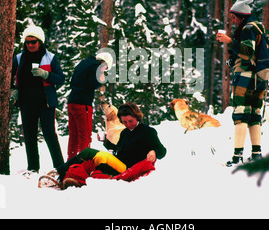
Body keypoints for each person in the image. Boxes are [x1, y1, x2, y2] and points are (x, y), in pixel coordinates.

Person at [55, 102, 167, 183]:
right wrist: (105, 141)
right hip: (117, 163)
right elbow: (117, 149)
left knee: (88, 152)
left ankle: (58, 173)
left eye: (130, 121)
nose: (128, 124)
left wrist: (153, 151)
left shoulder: (148, 131)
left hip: (127, 169)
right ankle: (68, 177)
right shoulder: (125, 132)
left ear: (137, 116)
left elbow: (162, 151)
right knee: (90, 161)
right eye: (124, 122)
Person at [216, 0, 268, 166]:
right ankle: (256, 154)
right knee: (254, 114)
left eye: (234, 17)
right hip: (259, 77)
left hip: (245, 76)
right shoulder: (258, 26)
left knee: (241, 113)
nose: (232, 21)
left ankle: (237, 157)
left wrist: (229, 41)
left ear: (241, 16)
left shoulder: (247, 29)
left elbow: (247, 52)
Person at [11, 25, 65, 175]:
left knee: (49, 133)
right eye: (27, 42)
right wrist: (13, 90)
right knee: (29, 135)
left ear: (40, 42)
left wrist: (46, 74)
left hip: (45, 101)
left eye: (33, 42)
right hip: (26, 101)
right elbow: (10, 77)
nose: (30, 45)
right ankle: (33, 168)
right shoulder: (19, 58)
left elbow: (61, 78)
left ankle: (60, 167)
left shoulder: (50, 58)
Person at [67, 52, 113, 160]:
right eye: (106, 68)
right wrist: (101, 77)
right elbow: (94, 83)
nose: (104, 70)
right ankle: (83, 162)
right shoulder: (95, 66)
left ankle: (70, 161)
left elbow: (72, 81)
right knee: (85, 136)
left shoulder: (83, 63)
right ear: (103, 62)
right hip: (83, 104)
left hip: (72, 102)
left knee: (74, 136)